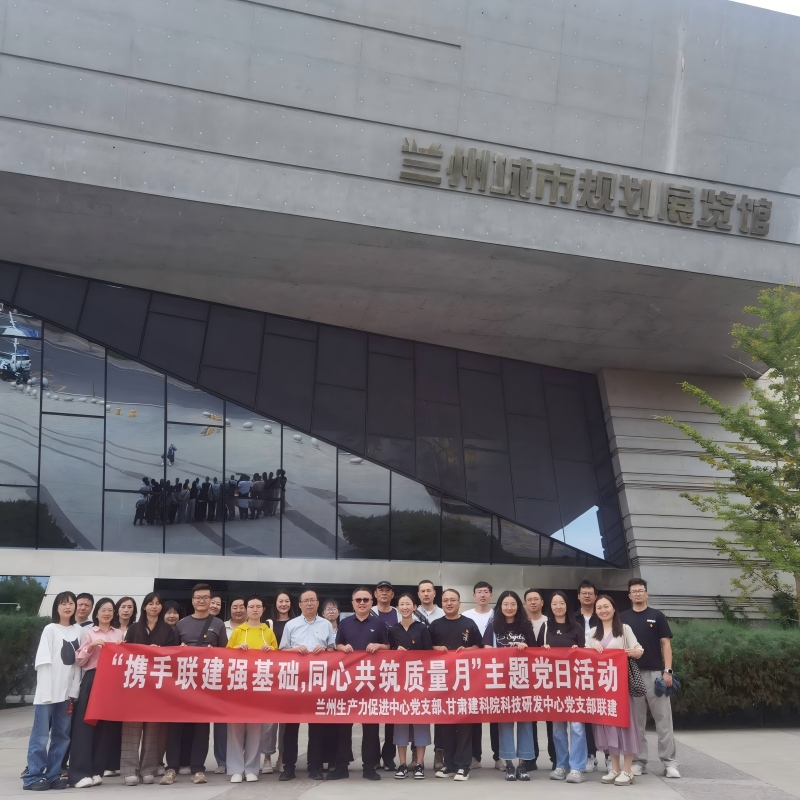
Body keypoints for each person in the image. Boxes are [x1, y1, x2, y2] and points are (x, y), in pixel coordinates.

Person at [160, 584, 228, 786]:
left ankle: (198, 769)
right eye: (198, 597)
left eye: (205, 597)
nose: (201, 601)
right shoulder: (182, 624)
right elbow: (171, 653)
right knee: (175, 726)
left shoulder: (218, 624)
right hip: (182, 683)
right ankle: (171, 768)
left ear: (210, 600)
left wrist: (214, 653)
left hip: (205, 684)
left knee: (201, 727)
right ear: (192, 601)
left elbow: (225, 654)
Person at [326, 587, 390, 781]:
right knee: (343, 725)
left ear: (371, 602)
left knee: (371, 727)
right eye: (358, 600)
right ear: (353, 603)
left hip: (370, 683)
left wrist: (378, 646)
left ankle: (369, 766)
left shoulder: (379, 624)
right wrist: (343, 647)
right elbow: (337, 645)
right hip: (348, 682)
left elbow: (388, 647)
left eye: (366, 600)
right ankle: (342, 766)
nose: (362, 603)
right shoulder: (345, 624)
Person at [620, 579, 680, 779]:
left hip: (655, 675)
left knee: (664, 720)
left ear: (647, 593)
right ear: (629, 595)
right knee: (636, 722)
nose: (637, 594)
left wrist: (668, 671)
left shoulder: (657, 615)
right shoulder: (622, 618)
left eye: (641, 590)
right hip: (631, 674)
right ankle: (639, 762)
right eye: (634, 591)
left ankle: (669, 763)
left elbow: (666, 644)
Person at [23, 591, 82, 791]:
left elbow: (78, 665)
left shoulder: (79, 631)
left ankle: (54, 774)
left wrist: (73, 692)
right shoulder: (50, 629)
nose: (68, 606)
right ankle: (33, 776)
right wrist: (47, 693)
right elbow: (43, 662)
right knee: (40, 737)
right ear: (57, 607)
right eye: (63, 603)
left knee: (62, 736)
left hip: (66, 696)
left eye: (71, 603)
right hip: (46, 695)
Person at [120, 592, 179, 786]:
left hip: (157, 686)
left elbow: (173, 656)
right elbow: (126, 653)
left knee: (153, 729)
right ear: (144, 606)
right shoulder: (133, 628)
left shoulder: (168, 630)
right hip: (135, 684)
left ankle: (148, 769)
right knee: (131, 727)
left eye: (158, 603)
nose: (155, 606)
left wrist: (159, 651)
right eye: (151, 603)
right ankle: (129, 770)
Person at [586, 595, 644, 787]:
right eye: (599, 607)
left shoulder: (624, 629)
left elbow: (639, 649)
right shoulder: (593, 633)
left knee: (624, 726)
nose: (603, 610)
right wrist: (591, 649)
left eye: (606, 606)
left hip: (621, 687)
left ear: (613, 608)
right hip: (602, 688)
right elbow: (584, 657)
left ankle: (627, 770)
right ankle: (615, 768)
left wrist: (633, 652)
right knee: (608, 726)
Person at [279, 589, 337, 781]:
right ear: (300, 604)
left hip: (318, 682)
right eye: (306, 600)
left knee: (317, 727)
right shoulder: (291, 625)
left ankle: (315, 766)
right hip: (295, 683)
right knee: (291, 727)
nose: (309, 603)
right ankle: (288, 766)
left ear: (318, 603)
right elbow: (282, 651)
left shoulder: (326, 624)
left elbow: (333, 650)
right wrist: (294, 650)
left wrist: (326, 650)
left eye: (313, 600)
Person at [69, 598, 124, 788]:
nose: (107, 613)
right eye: (103, 610)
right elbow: (80, 660)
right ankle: (79, 773)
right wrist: (91, 646)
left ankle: (97, 771)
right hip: (93, 679)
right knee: (86, 725)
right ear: (97, 613)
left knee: (106, 727)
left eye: (110, 610)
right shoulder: (89, 633)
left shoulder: (119, 634)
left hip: (112, 681)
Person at [430, 589, 483, 782]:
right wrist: (435, 648)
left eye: (453, 600)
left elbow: (479, 646)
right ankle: (449, 764)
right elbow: (426, 649)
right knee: (445, 725)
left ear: (459, 603)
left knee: (464, 725)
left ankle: (463, 766)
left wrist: (468, 650)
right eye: (446, 600)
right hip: (442, 683)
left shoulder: (469, 623)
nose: (449, 603)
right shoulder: (435, 625)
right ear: (441, 603)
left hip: (465, 682)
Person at [484, 590, 536, 781]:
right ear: (500, 606)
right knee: (505, 722)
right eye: (505, 604)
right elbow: (486, 647)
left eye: (513, 604)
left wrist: (525, 648)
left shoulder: (525, 625)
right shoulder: (493, 625)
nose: (509, 608)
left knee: (525, 722)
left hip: (523, 680)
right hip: (502, 681)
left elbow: (535, 650)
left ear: (518, 606)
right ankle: (509, 764)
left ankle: (523, 764)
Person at [226, 595, 278, 783]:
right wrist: (237, 649)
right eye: (251, 606)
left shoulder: (268, 632)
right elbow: (225, 656)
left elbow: (278, 659)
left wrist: (271, 651)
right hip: (239, 686)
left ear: (263, 609)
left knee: (256, 729)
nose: (255, 609)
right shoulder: (238, 631)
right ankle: (235, 769)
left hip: (259, 687)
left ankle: (251, 768)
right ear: (246, 609)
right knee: (235, 728)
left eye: (258, 606)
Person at [543, 591, 587, 784]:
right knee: (557, 728)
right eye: (554, 603)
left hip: (574, 684)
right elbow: (535, 654)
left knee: (577, 726)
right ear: (550, 607)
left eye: (561, 603)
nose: (558, 607)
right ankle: (562, 764)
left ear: (567, 605)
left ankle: (577, 768)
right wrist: (543, 650)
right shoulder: (546, 627)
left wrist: (578, 651)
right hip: (553, 685)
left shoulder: (576, 627)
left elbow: (586, 654)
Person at [388, 593, 432, 780]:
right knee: (401, 723)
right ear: (397, 607)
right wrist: (394, 653)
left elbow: (430, 655)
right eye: (402, 604)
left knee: (421, 722)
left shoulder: (422, 628)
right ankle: (402, 764)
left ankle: (420, 764)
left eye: (408, 604)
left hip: (419, 683)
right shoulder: (393, 630)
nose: (405, 607)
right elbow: (387, 657)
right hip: (399, 684)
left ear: (415, 607)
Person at [462, 581, 494, 771]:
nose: (482, 595)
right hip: (472, 671)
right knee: (473, 712)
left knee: (497, 712)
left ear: (491, 595)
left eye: (486, 592)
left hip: (495, 670)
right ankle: (474, 755)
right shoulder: (466, 616)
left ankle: (499, 756)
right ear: (474, 596)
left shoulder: (497, 615)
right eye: (479, 592)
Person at [415, 580, 445, 770]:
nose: (426, 594)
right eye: (422, 591)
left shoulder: (443, 613)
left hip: (440, 670)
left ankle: (439, 753)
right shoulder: (410, 613)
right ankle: (415, 754)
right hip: (417, 671)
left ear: (434, 593)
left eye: (429, 591)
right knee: (418, 711)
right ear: (418, 594)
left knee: (440, 712)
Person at [371, 581, 400, 770]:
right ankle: (373, 757)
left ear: (392, 594)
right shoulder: (369, 612)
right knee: (372, 716)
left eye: (387, 591)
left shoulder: (399, 613)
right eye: (380, 590)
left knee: (392, 717)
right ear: (375, 594)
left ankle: (389, 757)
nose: (384, 593)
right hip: (372, 672)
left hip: (394, 671)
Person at [523, 588, 552, 772]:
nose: (533, 602)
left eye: (536, 599)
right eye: (529, 600)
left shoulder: (550, 622)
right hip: (525, 676)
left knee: (551, 717)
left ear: (542, 602)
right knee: (529, 718)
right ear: (525, 604)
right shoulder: (520, 623)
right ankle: (530, 758)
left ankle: (555, 758)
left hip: (547, 675)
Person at [576, 580, 602, 772]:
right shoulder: (572, 618)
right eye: (583, 593)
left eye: (590, 593)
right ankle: (590, 755)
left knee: (603, 712)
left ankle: (609, 755)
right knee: (585, 713)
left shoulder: (603, 616)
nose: (587, 596)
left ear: (595, 596)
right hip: (579, 672)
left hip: (601, 671)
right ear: (578, 596)